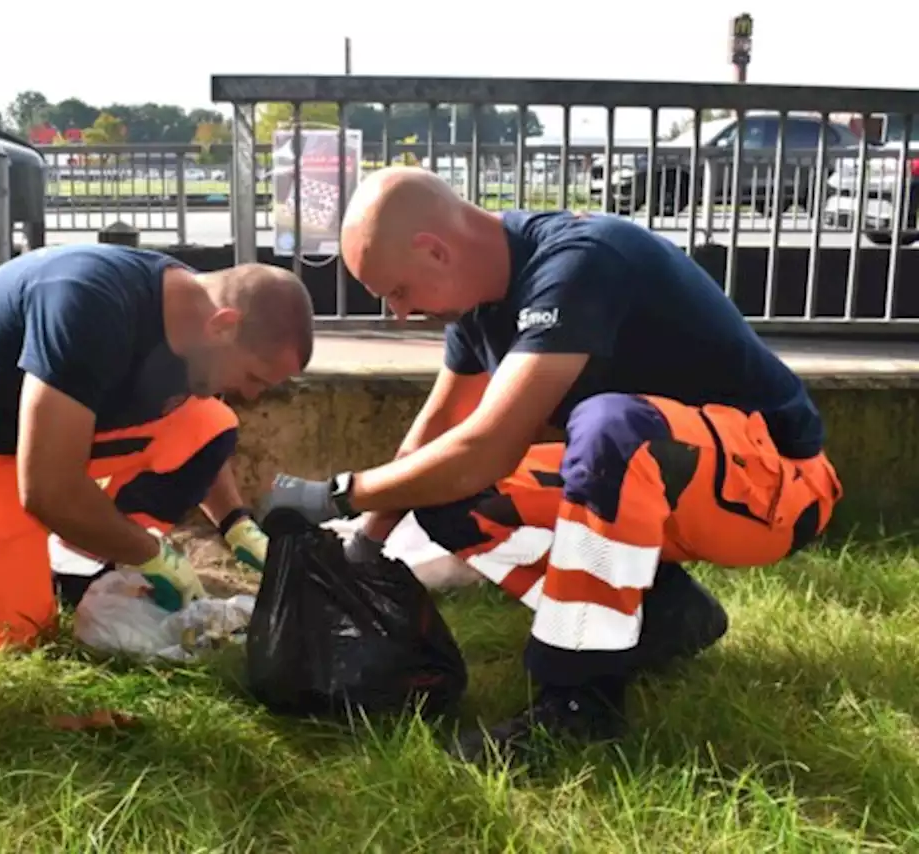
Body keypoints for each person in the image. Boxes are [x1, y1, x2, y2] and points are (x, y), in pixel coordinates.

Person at [259, 166, 842, 765]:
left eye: (399, 292)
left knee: (611, 428)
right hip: (674, 478)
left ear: (434, 251)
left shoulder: (581, 262)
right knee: (445, 488)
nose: (400, 315)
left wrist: (336, 493)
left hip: (777, 489)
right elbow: (435, 441)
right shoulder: (479, 306)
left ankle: (579, 704)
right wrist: (366, 545)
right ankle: (665, 616)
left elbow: (486, 447)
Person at [0, 243, 314, 662]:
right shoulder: (89, 304)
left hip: (40, 435)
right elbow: (46, 490)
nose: (251, 394)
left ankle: (81, 567)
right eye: (254, 377)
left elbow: (196, 430)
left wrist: (236, 525)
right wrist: (153, 555)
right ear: (224, 326)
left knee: (211, 423)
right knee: (17, 648)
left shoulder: (192, 320)